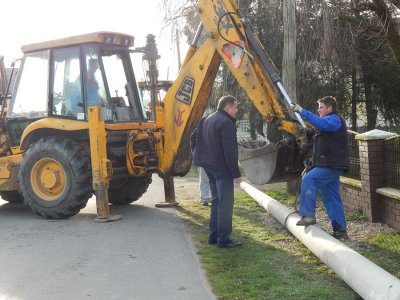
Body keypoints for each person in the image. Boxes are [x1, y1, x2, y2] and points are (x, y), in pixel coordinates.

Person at [293, 96, 349, 239]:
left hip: (331, 165)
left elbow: (322, 123)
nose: (318, 110)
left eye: (321, 107)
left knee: (308, 179)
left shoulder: (334, 120)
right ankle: (340, 231)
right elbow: (321, 131)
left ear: (329, 109)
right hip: (329, 165)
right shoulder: (326, 124)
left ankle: (308, 216)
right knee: (331, 198)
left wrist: (302, 112)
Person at [190, 95, 242, 248]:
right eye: (236, 107)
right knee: (225, 204)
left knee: (216, 201)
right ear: (229, 107)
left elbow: (193, 139)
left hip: (209, 167)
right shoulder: (226, 122)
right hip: (222, 169)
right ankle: (224, 240)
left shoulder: (207, 119)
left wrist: (199, 155)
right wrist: (236, 173)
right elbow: (230, 151)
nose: (237, 111)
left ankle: (213, 236)